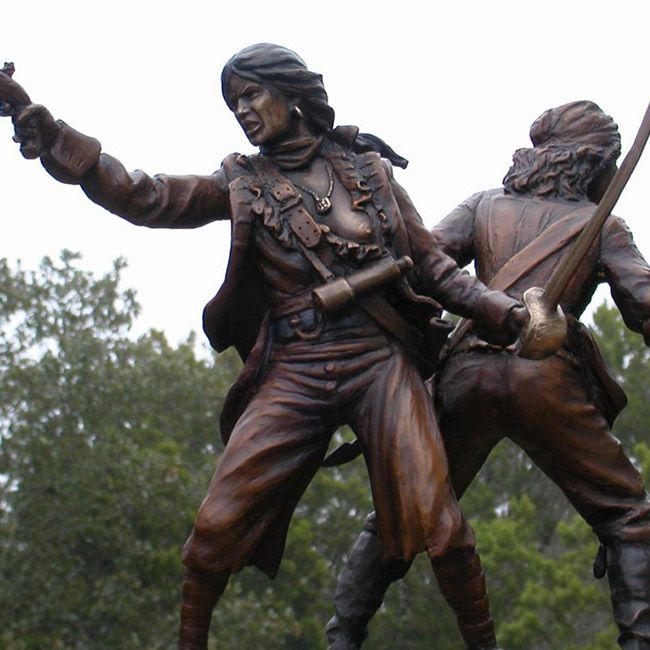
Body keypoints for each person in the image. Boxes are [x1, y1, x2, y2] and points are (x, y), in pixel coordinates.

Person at [1, 44, 525, 650]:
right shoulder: (242, 183)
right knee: (213, 530)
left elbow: (433, 266)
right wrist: (53, 132)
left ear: (291, 93)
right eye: (233, 103)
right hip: (296, 368)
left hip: (379, 362)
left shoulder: (370, 172)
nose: (241, 111)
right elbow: (145, 196)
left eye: (251, 95)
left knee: (440, 523)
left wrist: (499, 309)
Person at [326, 100, 650, 650]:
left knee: (405, 505)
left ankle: (342, 638)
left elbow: (419, 266)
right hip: (546, 381)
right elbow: (643, 302)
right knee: (627, 516)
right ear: (593, 165)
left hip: (468, 374)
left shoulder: (482, 206)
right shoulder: (605, 227)